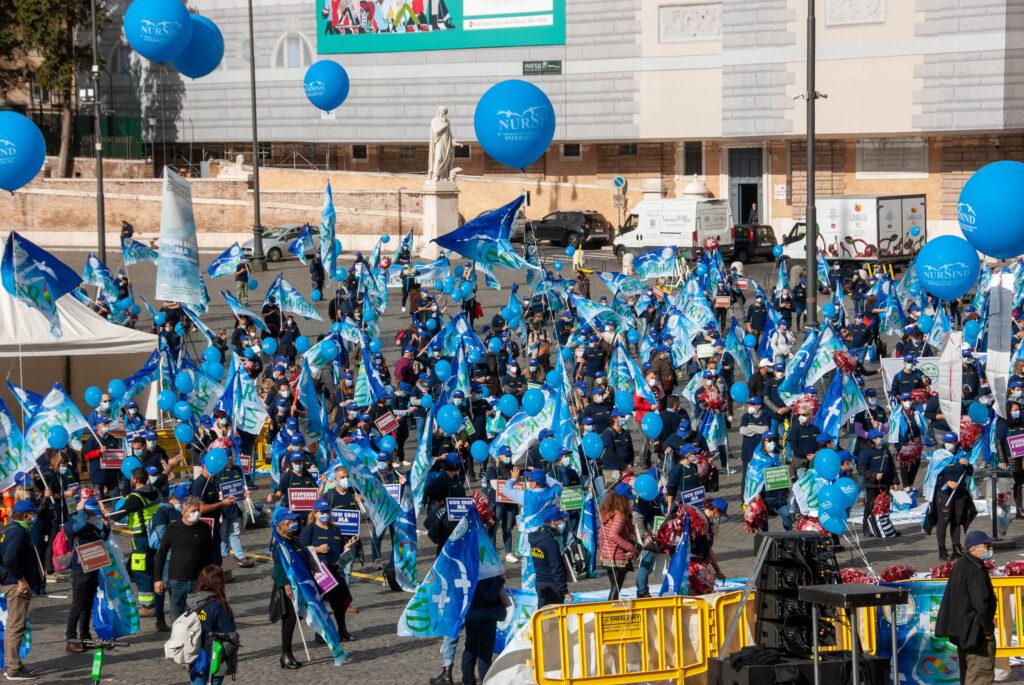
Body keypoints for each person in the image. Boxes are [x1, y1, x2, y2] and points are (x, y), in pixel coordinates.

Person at [936, 530, 997, 685]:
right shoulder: (975, 569)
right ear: (973, 548)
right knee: (980, 674)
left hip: (963, 632)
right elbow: (981, 604)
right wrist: (988, 631)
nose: (990, 548)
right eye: (986, 545)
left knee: (968, 673)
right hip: (976, 633)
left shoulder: (961, 564)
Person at [299, 499, 358, 641]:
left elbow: (341, 546)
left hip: (336, 569)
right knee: (322, 603)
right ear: (315, 513)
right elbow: (301, 548)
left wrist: (347, 547)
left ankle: (342, 630)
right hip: (320, 571)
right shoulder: (310, 529)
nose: (325, 514)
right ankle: (320, 633)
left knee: (340, 602)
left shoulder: (335, 529)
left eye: (327, 511)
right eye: (322, 512)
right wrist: (318, 549)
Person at [154, 496, 216, 622]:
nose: (197, 513)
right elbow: (161, 553)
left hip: (198, 581)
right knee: (177, 617)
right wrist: (158, 579)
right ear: (183, 512)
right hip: (177, 580)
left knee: (198, 617)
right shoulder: (173, 528)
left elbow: (210, 554)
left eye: (198, 510)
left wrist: (211, 576)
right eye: (193, 511)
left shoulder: (205, 528)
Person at [63, 497, 111, 653]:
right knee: (77, 605)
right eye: (92, 513)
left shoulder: (91, 525)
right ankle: (71, 638)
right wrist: (82, 510)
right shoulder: (73, 523)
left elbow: (102, 536)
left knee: (88, 604)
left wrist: (106, 523)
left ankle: (84, 635)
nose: (93, 516)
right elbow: (79, 526)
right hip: (80, 570)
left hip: (93, 566)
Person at [1, 500, 41, 680]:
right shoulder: (19, 532)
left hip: (9, 582)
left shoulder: (8, 529)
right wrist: (21, 580)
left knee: (15, 625)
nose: (35, 517)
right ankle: (13, 668)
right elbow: (10, 558)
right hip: (16, 585)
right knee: (15, 626)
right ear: (26, 516)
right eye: (33, 513)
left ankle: (15, 664)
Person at [186, 565, 239, 685]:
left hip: (195, 657)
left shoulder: (191, 602)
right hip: (216, 658)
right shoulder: (219, 606)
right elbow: (231, 636)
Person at [271, 512, 304, 670]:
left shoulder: (292, 538)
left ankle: (288, 654)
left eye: (294, 521)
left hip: (297, 584)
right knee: (289, 620)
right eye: (290, 521)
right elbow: (278, 567)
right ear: (282, 524)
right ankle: (285, 654)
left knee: (294, 619)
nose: (294, 523)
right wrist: (286, 586)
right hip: (288, 586)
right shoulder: (279, 542)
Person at [460, 572, 507, 685]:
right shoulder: (484, 569)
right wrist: (500, 579)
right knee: (484, 653)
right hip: (485, 615)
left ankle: (468, 680)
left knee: (470, 648)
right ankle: (485, 681)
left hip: (470, 612)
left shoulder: (467, 564)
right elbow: (490, 594)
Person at [598, 482, 638, 601]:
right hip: (617, 556)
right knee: (616, 587)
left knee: (614, 585)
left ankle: (612, 606)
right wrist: (630, 547)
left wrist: (602, 550)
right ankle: (611, 610)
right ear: (623, 499)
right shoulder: (619, 515)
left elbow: (601, 534)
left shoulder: (607, 512)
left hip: (608, 555)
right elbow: (613, 535)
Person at [856, 429, 896, 535]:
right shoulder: (865, 451)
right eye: (878, 437)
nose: (881, 439)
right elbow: (861, 469)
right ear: (872, 439)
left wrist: (895, 481)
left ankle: (886, 527)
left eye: (881, 437)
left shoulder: (885, 449)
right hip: (872, 484)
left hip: (885, 483)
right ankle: (866, 528)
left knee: (885, 506)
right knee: (870, 506)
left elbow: (892, 467)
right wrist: (874, 475)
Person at [530, 508, 571, 608]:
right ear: (553, 522)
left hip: (540, 583)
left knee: (542, 616)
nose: (563, 522)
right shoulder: (550, 542)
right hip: (553, 586)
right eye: (561, 520)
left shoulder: (537, 536)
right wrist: (564, 591)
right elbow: (556, 568)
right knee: (553, 620)